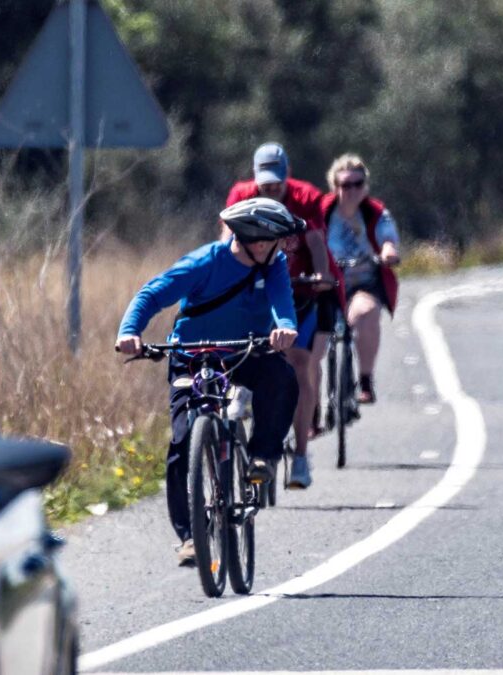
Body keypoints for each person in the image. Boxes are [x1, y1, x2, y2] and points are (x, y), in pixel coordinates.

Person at [116, 197, 302, 566]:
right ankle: (189, 536)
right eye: (274, 240)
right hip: (191, 357)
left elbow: (283, 305)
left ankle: (263, 455)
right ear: (255, 239)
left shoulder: (274, 266)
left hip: (244, 352)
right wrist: (130, 331)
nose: (280, 246)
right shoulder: (205, 262)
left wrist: (285, 327)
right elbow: (152, 294)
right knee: (183, 440)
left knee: (281, 377)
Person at [225, 142, 340, 489]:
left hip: (299, 291)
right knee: (242, 350)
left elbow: (317, 242)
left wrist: (320, 277)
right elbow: (226, 237)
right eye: (265, 182)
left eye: (277, 182)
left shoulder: (305, 197)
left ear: (287, 175)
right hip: (255, 291)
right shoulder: (242, 194)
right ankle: (243, 399)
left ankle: (301, 455)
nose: (271, 189)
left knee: (300, 361)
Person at [321, 153, 401, 404]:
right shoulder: (322, 211)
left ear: (365, 186)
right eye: (345, 185)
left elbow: (388, 237)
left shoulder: (374, 212)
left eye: (357, 184)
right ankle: (311, 412)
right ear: (335, 187)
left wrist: (388, 252)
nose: (352, 190)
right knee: (307, 342)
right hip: (327, 283)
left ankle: (365, 379)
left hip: (362, 282)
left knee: (366, 312)